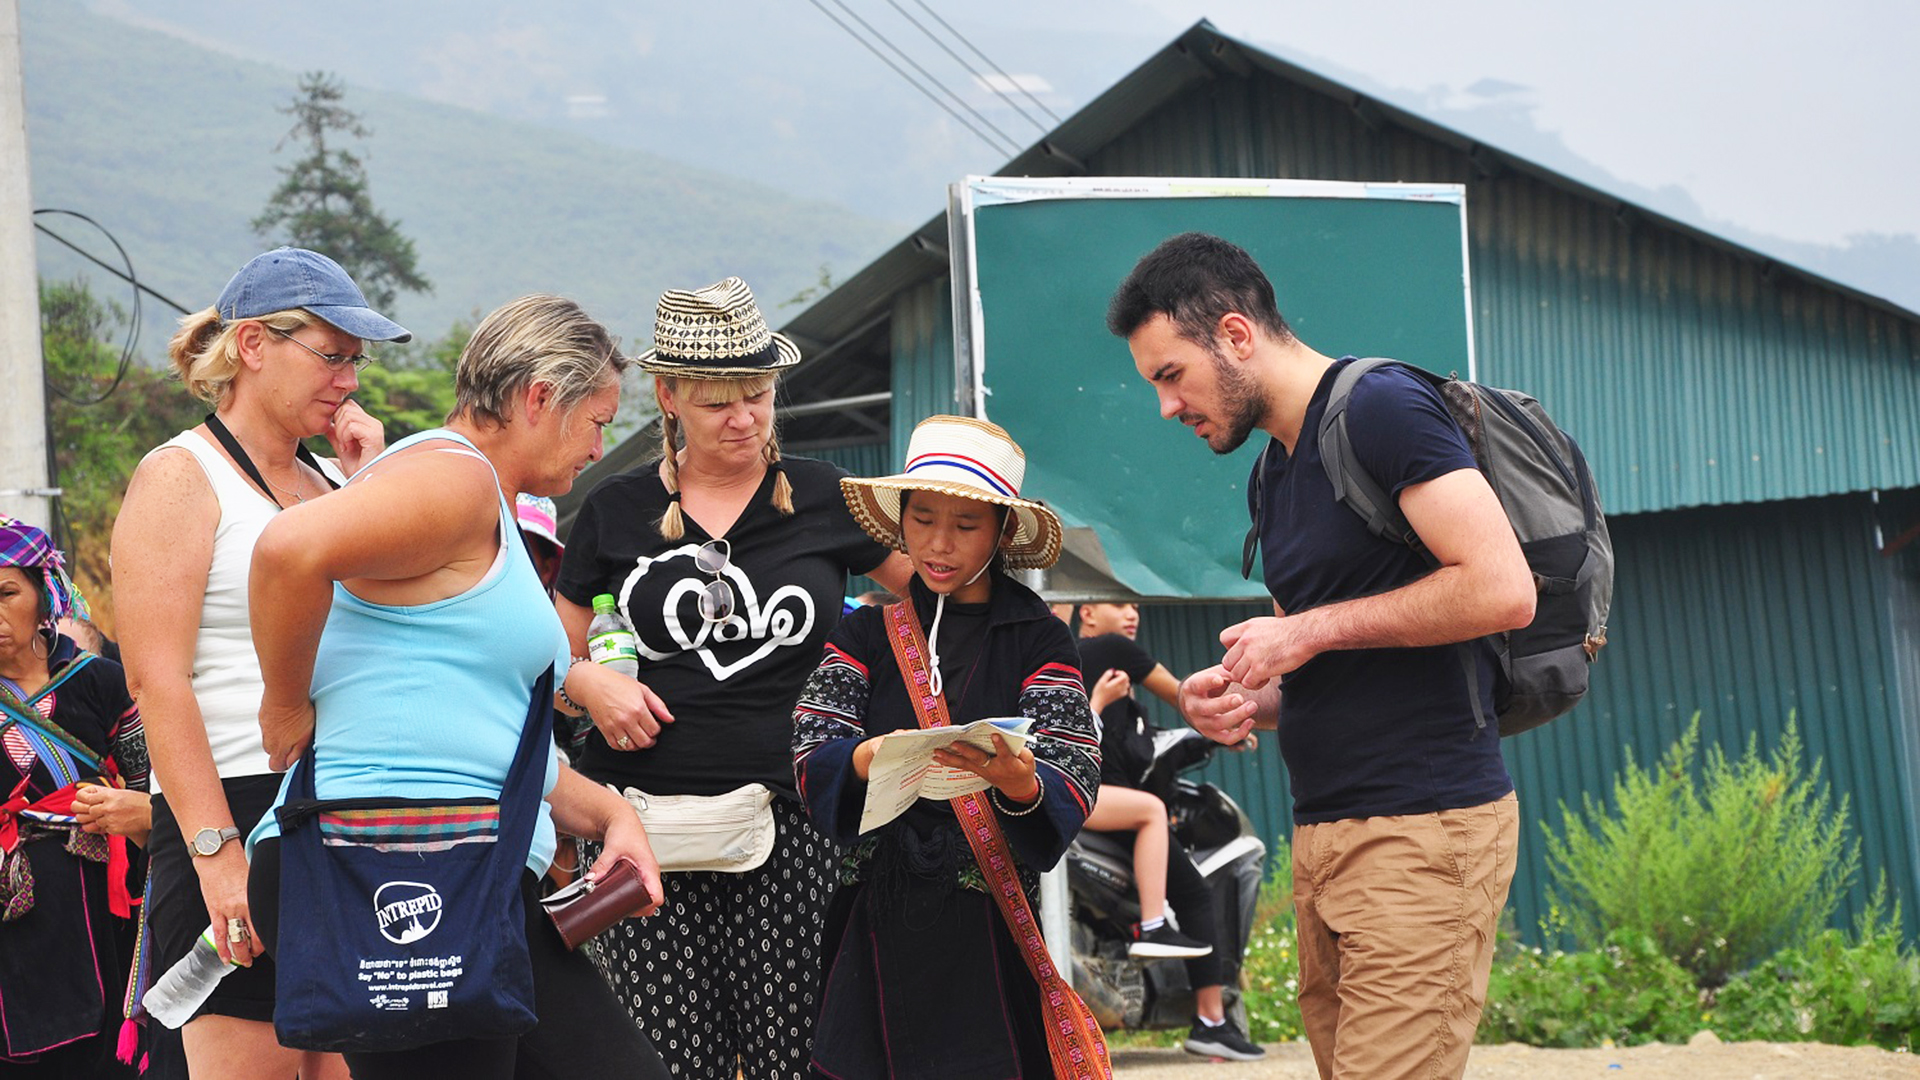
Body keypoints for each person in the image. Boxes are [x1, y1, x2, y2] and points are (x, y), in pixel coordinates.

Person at [1108, 232, 1536, 1080]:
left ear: (1236, 334)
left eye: (1170, 375)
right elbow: (1314, 662)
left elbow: (1501, 587)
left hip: (1424, 829)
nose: (1167, 407)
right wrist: (1239, 700)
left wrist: (1302, 631)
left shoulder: (1381, 406)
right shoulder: (1274, 472)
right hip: (1325, 833)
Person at [244, 293, 670, 1079]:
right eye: (597, 421)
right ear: (540, 399)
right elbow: (286, 552)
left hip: (469, 859)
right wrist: (283, 704)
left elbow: (473, 727)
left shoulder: (487, 503)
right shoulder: (454, 479)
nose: (599, 445)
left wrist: (609, 812)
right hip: (395, 858)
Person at [554, 277, 913, 1079]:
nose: (744, 418)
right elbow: (546, 654)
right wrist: (588, 685)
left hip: (798, 819)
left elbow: (927, 591)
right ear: (668, 395)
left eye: (757, 395)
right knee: (668, 1059)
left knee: (797, 1051)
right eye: (719, 402)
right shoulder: (613, 509)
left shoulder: (825, 496)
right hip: (639, 822)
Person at [111, 246, 405, 1080]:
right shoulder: (180, 475)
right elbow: (155, 680)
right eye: (332, 354)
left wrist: (367, 481)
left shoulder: (332, 482)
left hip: (335, 810)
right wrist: (216, 852)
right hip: (230, 803)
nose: (349, 379)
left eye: (357, 360)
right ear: (251, 345)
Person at [792, 415, 1108, 1078]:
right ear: (900, 519)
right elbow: (812, 742)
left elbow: (1072, 764)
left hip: (986, 924)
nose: (939, 544)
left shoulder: (1039, 638)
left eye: (966, 527)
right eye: (923, 518)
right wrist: (869, 756)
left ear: (1001, 532)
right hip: (872, 926)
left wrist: (1020, 781)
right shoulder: (865, 634)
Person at [1072, 601, 1266, 1061]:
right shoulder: (1112, 652)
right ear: (1088, 614)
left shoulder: (1080, 672)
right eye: (1117, 603)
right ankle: (1205, 1011)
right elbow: (1184, 696)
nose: (1132, 612)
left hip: (1076, 794)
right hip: (1091, 795)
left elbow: (1154, 743)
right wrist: (1225, 722)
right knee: (1189, 882)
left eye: (1135, 604)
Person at [0, 518, 148, 1076]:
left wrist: (137, 815)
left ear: (44, 595)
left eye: (8, 593)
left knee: (100, 1049)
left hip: (95, 904)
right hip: (9, 901)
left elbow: (153, 789)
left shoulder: (99, 681)